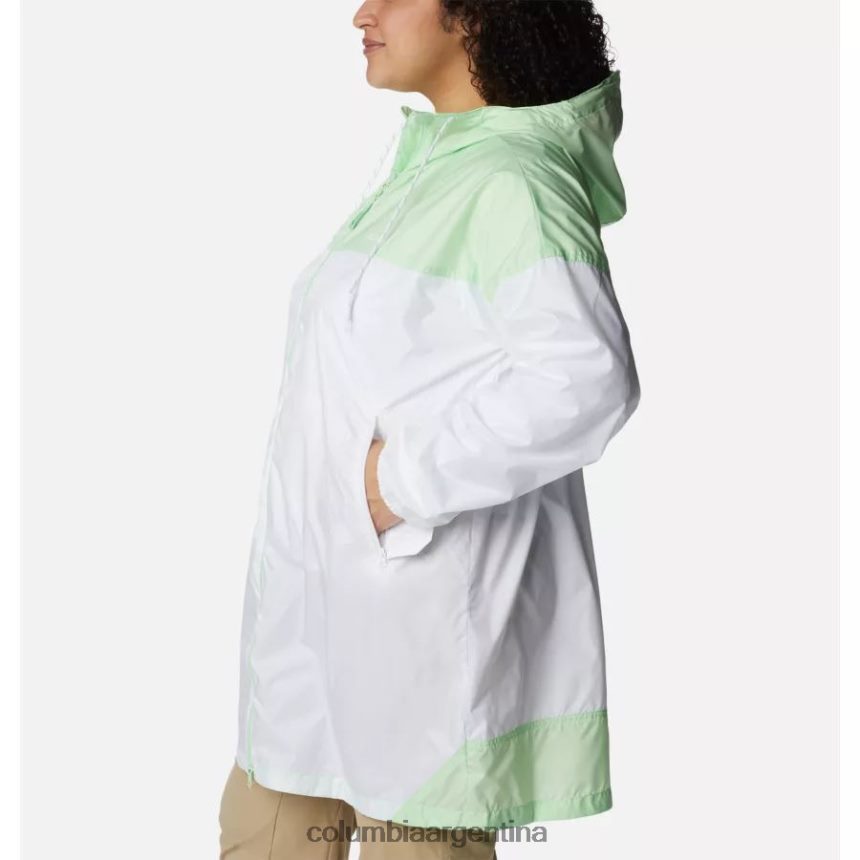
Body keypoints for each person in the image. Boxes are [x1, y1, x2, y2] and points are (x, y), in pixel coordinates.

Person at [218, 1, 641, 857]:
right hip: (310, 640)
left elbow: (585, 377)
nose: (361, 13)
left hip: (423, 656)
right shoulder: (435, 169)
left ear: (477, 14)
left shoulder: (514, 181)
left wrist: (397, 485)